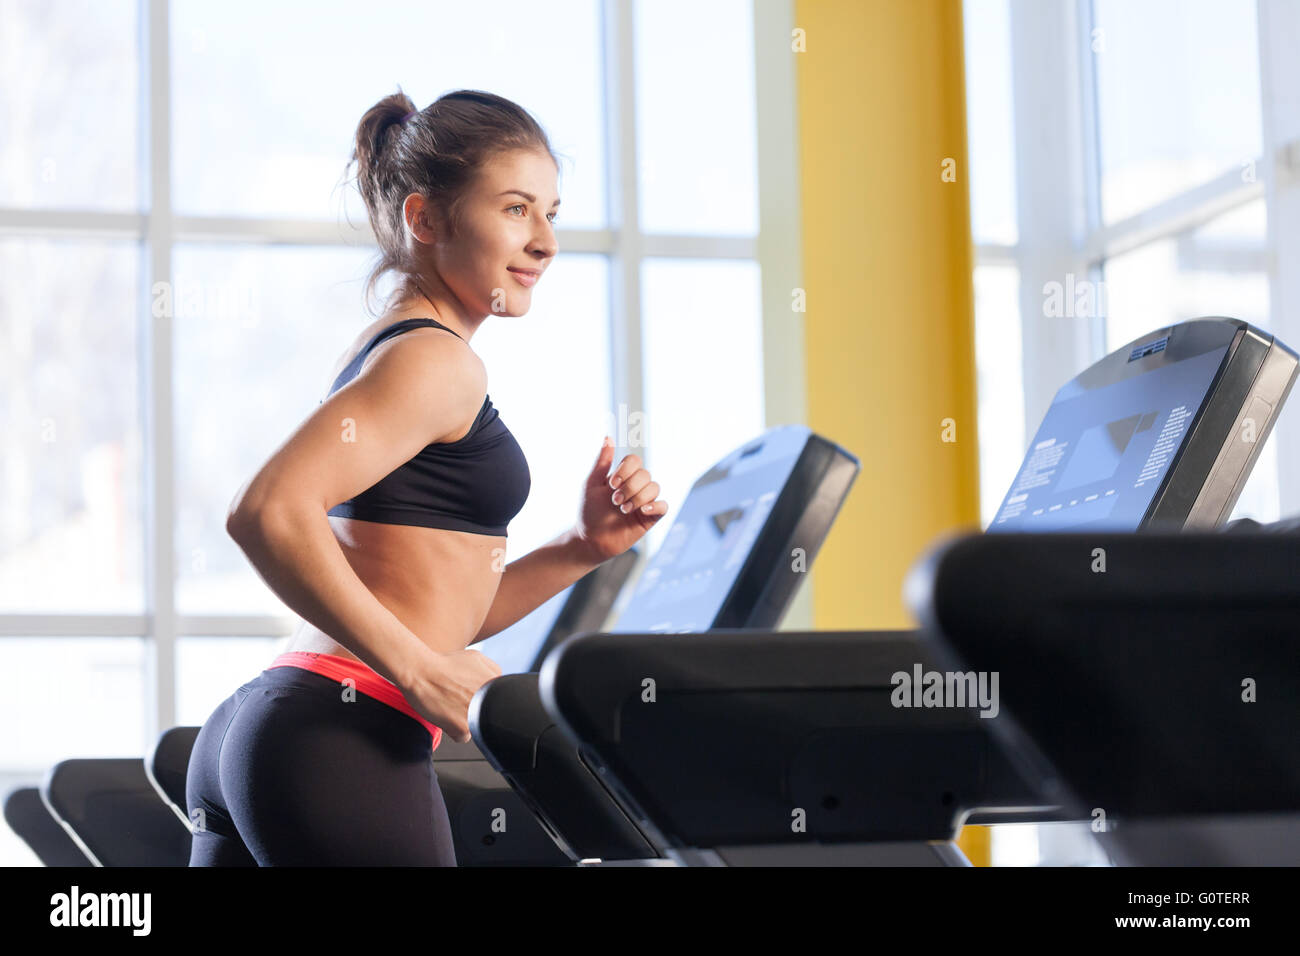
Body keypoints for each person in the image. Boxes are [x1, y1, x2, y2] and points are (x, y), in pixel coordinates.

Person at [185, 87, 669, 866]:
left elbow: (431, 610)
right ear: (426, 220)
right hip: (339, 736)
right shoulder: (437, 360)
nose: (544, 241)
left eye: (551, 212)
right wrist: (420, 673)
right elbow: (267, 510)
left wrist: (582, 546)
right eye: (516, 209)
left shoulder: (397, 349)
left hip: (281, 725)